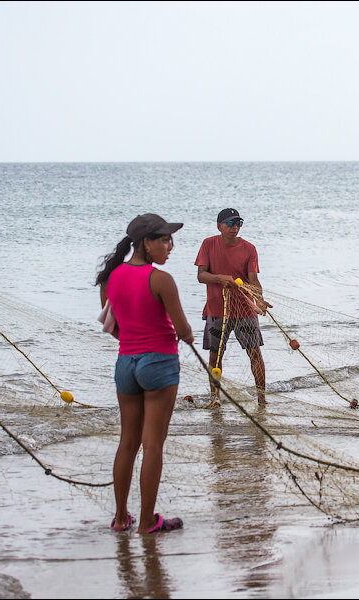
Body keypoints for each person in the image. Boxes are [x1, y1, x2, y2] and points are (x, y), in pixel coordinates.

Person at [97, 213, 194, 534]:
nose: (170, 246)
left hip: (126, 363)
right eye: (164, 240)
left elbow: (113, 327)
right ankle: (148, 521)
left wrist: (134, 341)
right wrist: (188, 335)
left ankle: (121, 518)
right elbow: (183, 329)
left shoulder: (111, 278)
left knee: (127, 443)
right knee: (153, 445)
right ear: (146, 244)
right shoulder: (161, 280)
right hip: (159, 363)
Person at [195, 208, 271, 405]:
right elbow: (201, 275)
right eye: (230, 223)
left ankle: (262, 399)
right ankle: (215, 398)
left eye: (238, 224)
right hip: (216, 310)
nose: (234, 227)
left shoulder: (249, 249)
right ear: (219, 226)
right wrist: (220, 278)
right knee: (215, 356)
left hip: (245, 310)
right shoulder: (208, 244)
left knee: (255, 354)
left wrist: (259, 300)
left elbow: (253, 279)